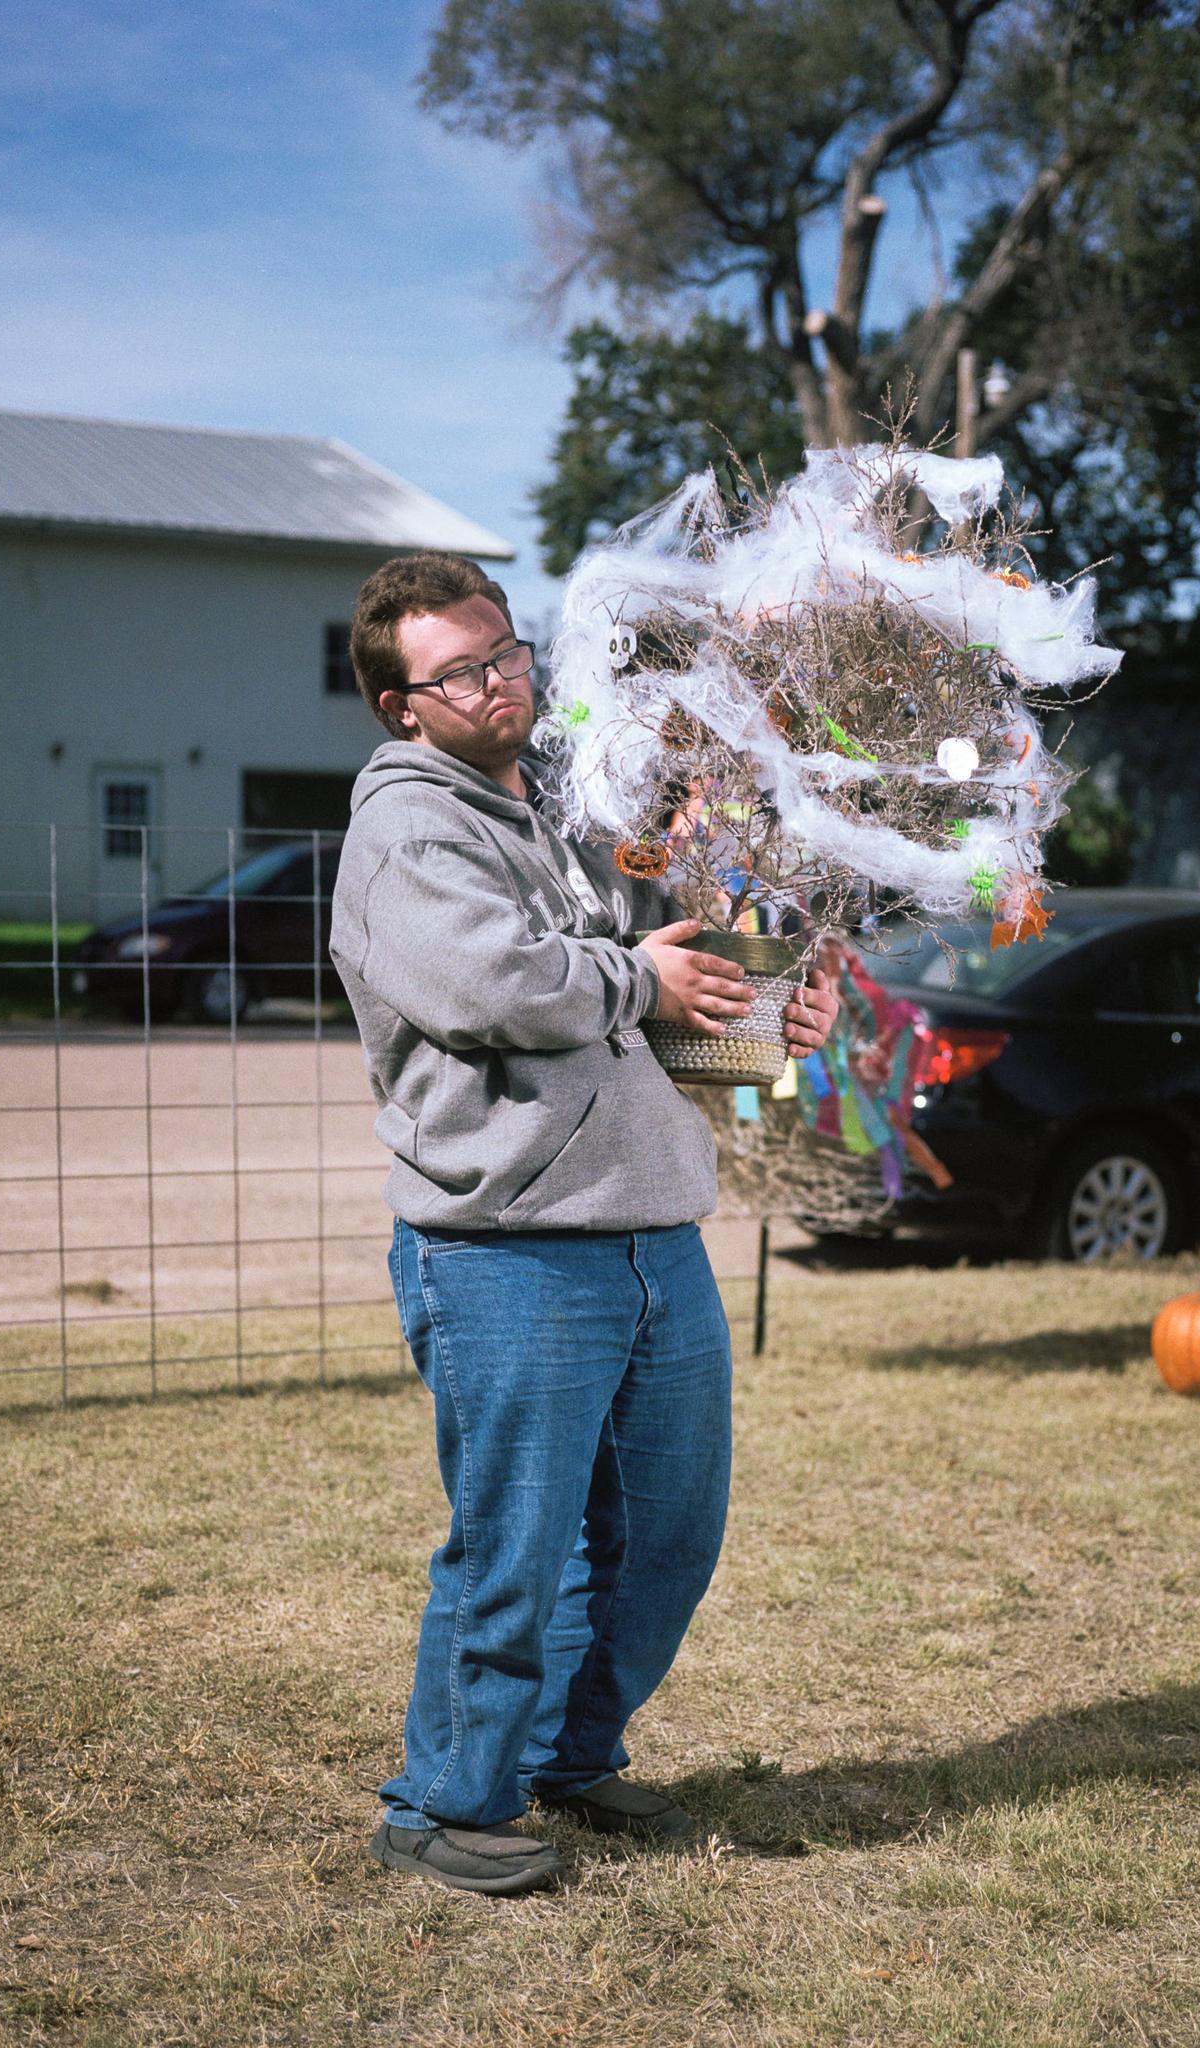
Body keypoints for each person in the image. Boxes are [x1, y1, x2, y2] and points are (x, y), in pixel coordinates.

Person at [330, 550, 838, 1897]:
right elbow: (498, 988)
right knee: (515, 1546)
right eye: (462, 670)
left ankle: (567, 1754)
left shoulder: (572, 810)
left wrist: (771, 1018)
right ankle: (441, 1805)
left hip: (653, 1231)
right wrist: (645, 972)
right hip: (506, 1250)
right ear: (401, 705)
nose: (502, 681)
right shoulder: (406, 832)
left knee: (668, 1532)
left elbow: (664, 1017)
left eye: (507, 650)